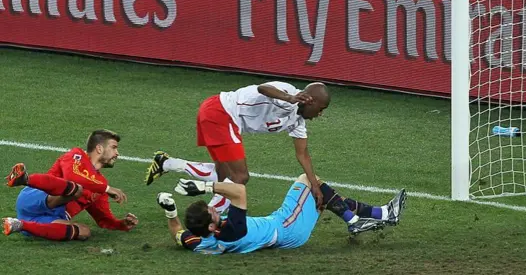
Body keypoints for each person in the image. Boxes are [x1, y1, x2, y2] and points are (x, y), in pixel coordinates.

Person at [146, 81, 330, 213]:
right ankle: (210, 218)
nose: (320, 114)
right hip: (221, 112)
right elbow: (263, 88)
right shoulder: (288, 92)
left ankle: (166, 163)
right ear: (311, 101)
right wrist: (289, 98)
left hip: (217, 112)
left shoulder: (298, 122)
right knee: (240, 177)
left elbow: (303, 154)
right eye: (321, 108)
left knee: (223, 176)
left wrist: (314, 185)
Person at [155, 173, 406, 254]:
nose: (215, 208)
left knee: (321, 197)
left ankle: (383, 213)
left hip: (285, 230)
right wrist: (204, 185)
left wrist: (171, 212)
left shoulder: (201, 242)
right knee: (308, 180)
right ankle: (354, 222)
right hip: (286, 227)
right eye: (212, 211)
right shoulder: (231, 230)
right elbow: (239, 191)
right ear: (212, 226)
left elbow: (178, 234)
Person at [2, 130, 138, 240]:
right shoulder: (76, 156)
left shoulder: (99, 184)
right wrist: (107, 189)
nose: (117, 153)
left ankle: (18, 225)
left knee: (84, 232)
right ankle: (25, 179)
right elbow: (72, 176)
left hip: (47, 218)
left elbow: (103, 219)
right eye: (114, 147)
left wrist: (121, 224)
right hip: (35, 199)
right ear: (99, 148)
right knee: (76, 189)